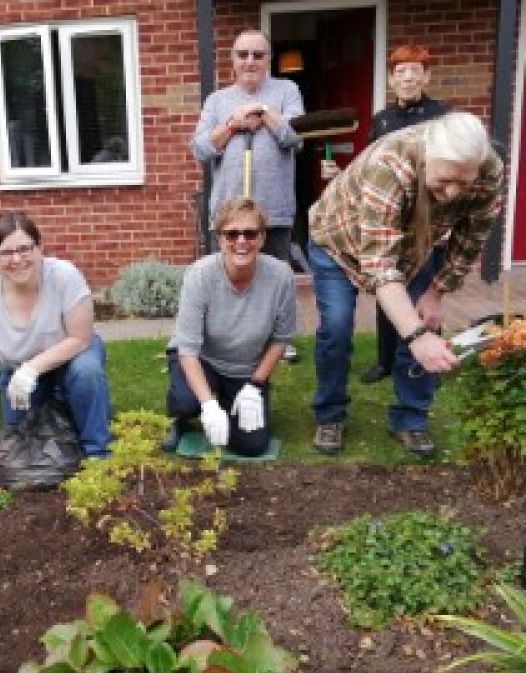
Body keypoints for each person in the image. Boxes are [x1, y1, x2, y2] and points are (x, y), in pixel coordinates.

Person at [309, 111, 503, 457]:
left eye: (463, 181)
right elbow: (380, 266)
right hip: (337, 243)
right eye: (444, 181)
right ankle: (330, 413)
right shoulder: (389, 166)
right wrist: (415, 336)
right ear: (428, 157)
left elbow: (471, 237)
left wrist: (436, 294)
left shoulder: (489, 170)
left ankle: (411, 419)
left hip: (414, 247)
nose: (452, 192)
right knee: (337, 329)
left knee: (428, 323)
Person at [0, 211, 111, 458]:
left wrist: (32, 368)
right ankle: (61, 402)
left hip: (71, 356)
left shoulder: (64, 276)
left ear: (39, 248)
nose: (17, 259)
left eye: (25, 249)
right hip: (17, 371)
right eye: (6, 253)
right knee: (22, 444)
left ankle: (96, 452)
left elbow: (80, 337)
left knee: (86, 374)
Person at [191, 29, 303, 362]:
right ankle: (225, 338)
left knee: (276, 275)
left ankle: (279, 340)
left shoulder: (287, 91)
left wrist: (263, 113)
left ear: (268, 59)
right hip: (229, 211)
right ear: (233, 62)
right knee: (226, 276)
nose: (250, 61)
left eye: (258, 54)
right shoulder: (217, 101)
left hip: (275, 207)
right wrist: (233, 124)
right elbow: (199, 149)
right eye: (243, 54)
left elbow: (298, 136)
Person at [162, 197, 296, 457]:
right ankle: (181, 417)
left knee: (252, 446)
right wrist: (208, 405)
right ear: (220, 239)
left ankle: (232, 398)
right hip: (203, 360)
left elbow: (281, 339)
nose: (241, 241)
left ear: (262, 237)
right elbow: (187, 349)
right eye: (232, 234)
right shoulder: (200, 276)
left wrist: (256, 385)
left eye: (250, 233)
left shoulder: (281, 276)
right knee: (187, 401)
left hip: (246, 368)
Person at [360, 45, 451, 385]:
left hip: (431, 220)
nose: (408, 77)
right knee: (391, 288)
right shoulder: (383, 120)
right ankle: (386, 362)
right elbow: (371, 164)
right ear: (391, 78)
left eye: (415, 70)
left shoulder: (442, 115)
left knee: (426, 293)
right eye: (401, 71)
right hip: (394, 222)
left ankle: (431, 360)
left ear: (426, 76)